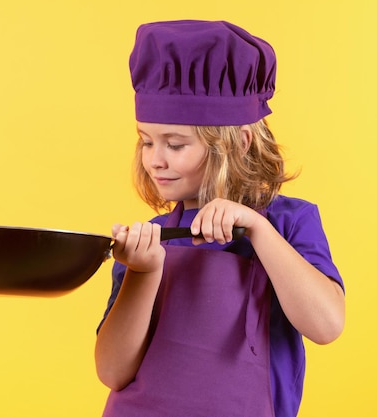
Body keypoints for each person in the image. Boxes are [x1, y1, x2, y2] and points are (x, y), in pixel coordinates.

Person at [95, 20, 345, 417]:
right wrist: (142, 274)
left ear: (239, 142)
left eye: (175, 144)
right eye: (146, 141)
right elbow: (112, 371)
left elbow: (327, 325)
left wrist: (258, 229)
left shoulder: (288, 223)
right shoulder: (150, 240)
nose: (155, 159)